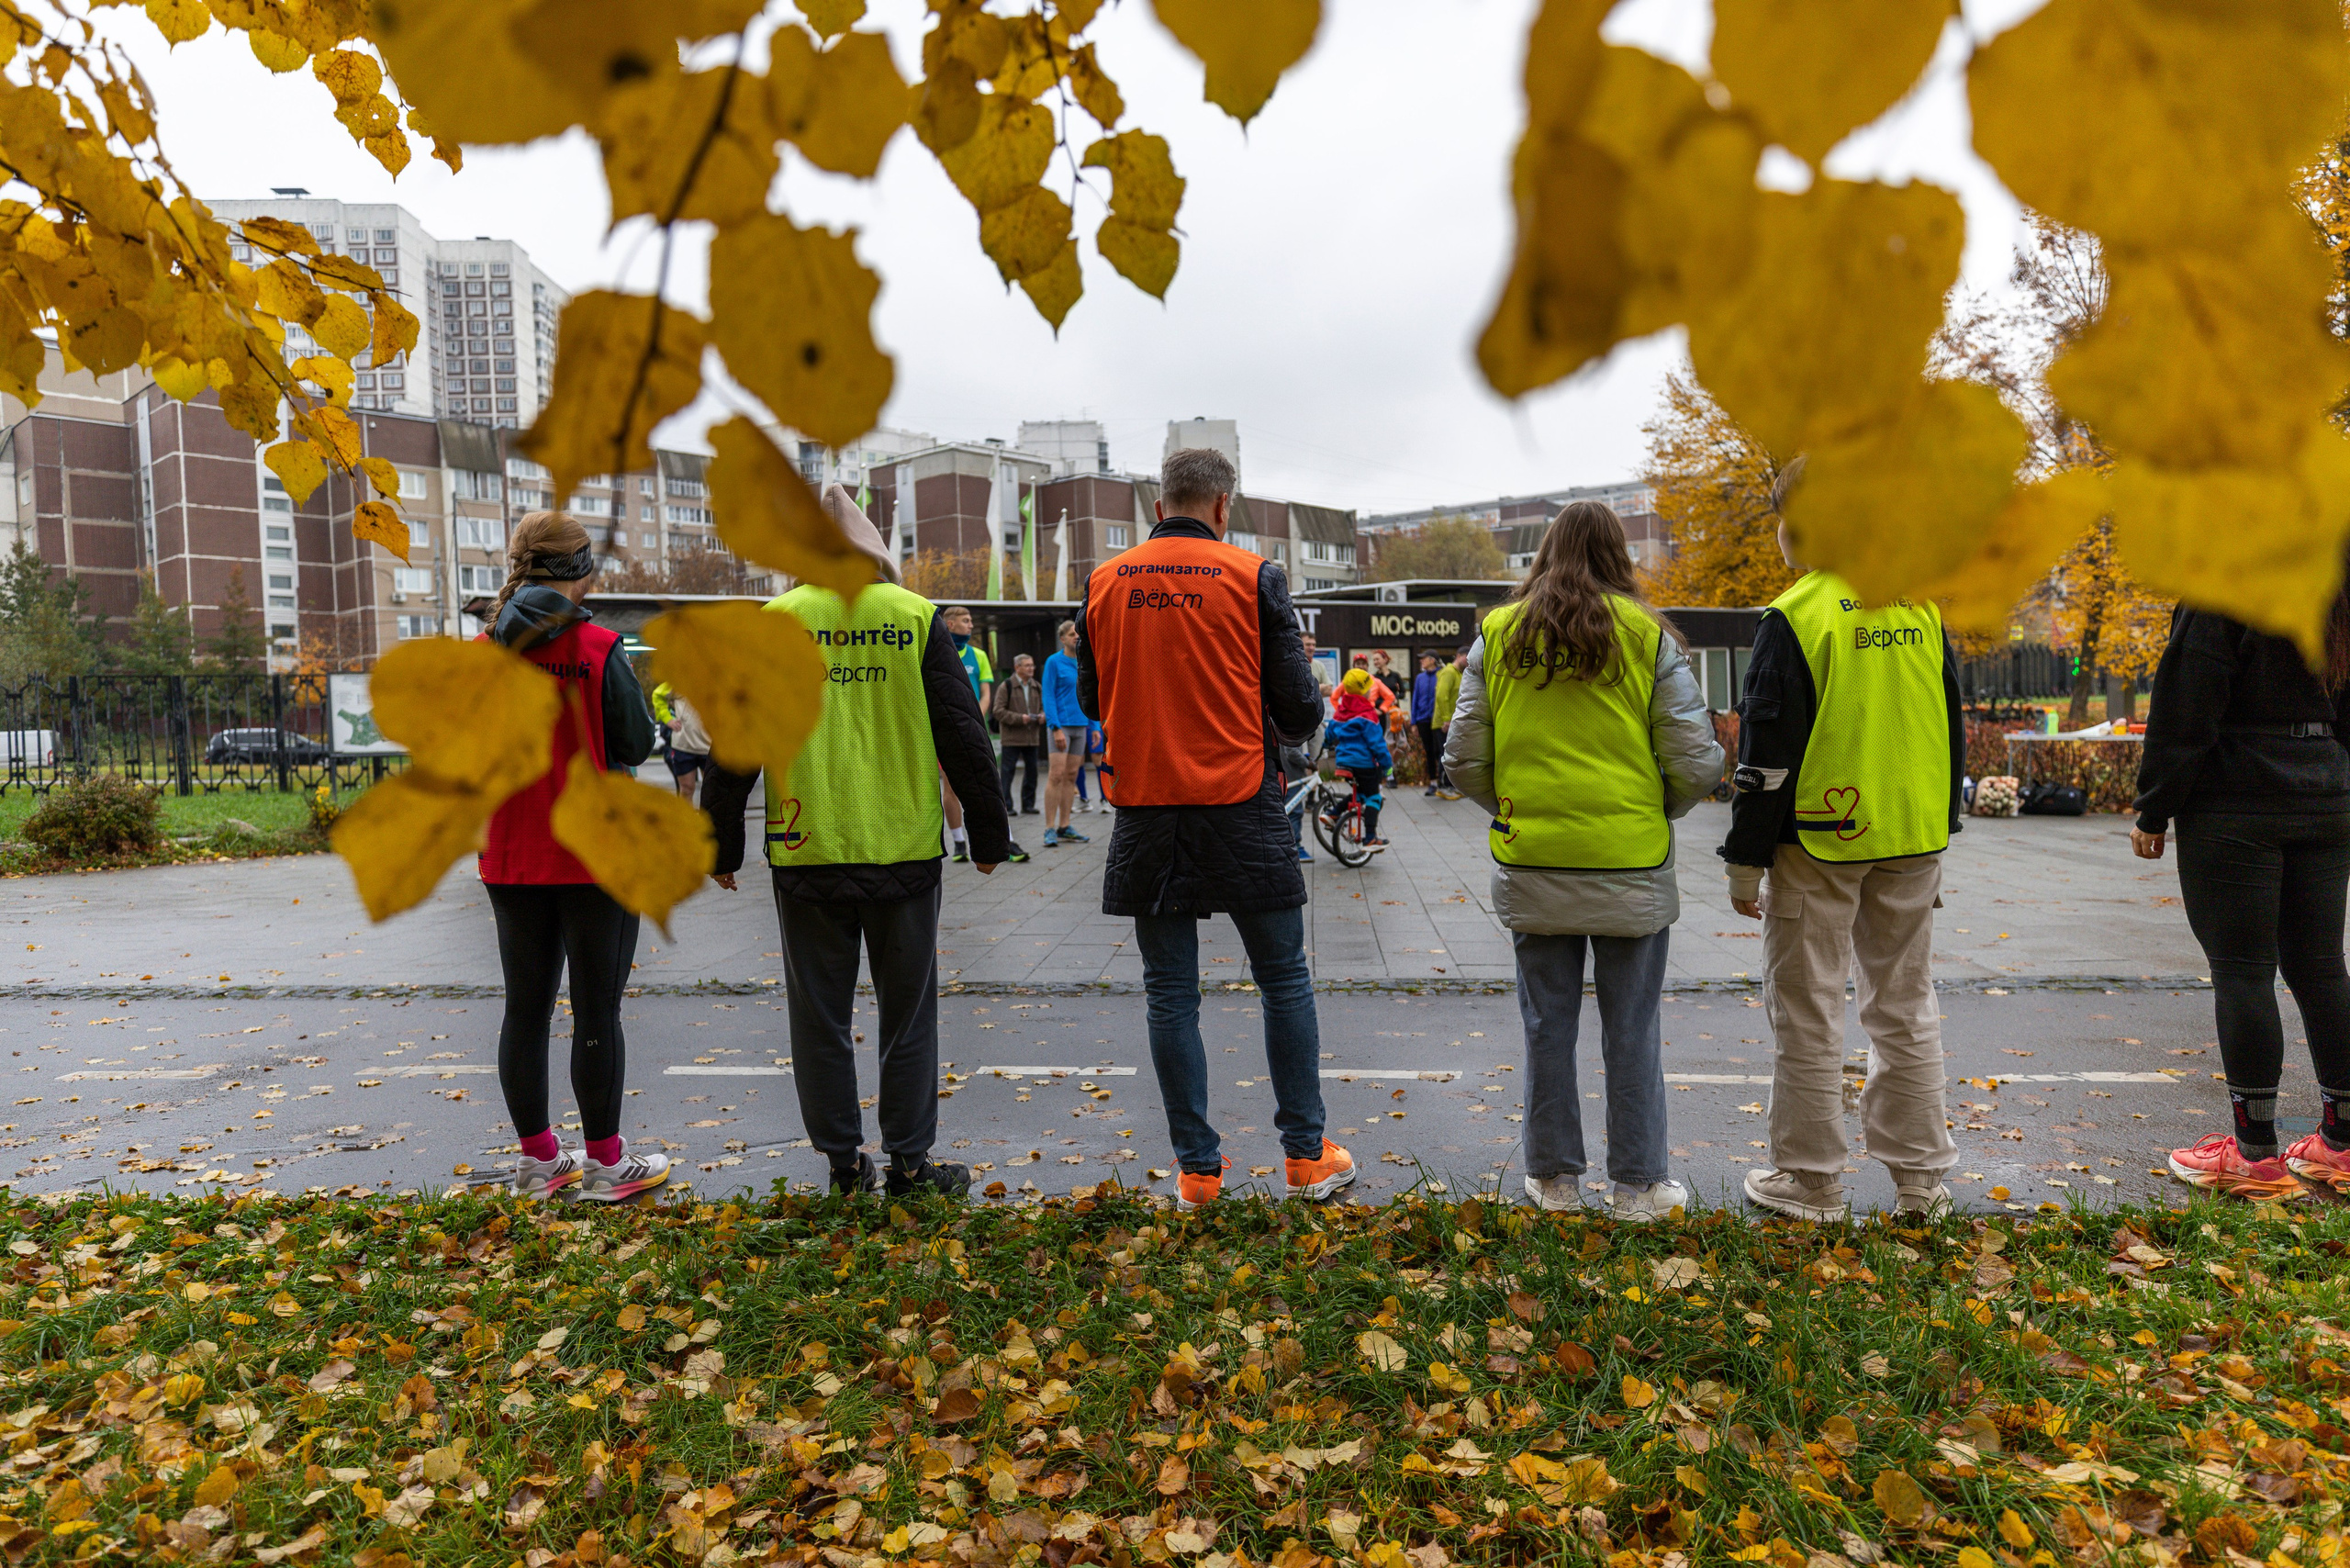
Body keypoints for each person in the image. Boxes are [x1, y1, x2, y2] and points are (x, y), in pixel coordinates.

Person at [700, 486, 1012, 1197]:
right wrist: (990, 835)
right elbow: (964, 732)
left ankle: (844, 1166)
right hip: (902, 849)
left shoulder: (777, 620)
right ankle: (910, 1165)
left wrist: (721, 846)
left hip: (808, 849)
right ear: (874, 553)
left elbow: (733, 745)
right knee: (908, 1018)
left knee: (819, 1019)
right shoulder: (916, 617)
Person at [1077, 446, 1352, 1209]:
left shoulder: (1104, 581)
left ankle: (1198, 1173)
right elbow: (1298, 711)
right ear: (1224, 505)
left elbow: (1096, 700)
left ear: (1158, 506)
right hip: (1241, 805)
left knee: (1170, 993)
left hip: (1146, 810)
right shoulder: (1253, 576)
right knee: (1283, 980)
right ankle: (1305, 1158)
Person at [1444, 501, 1722, 1221]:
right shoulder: (1646, 637)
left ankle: (1554, 1180)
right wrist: (1656, 809)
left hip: (1534, 859)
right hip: (1629, 861)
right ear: (1617, 555)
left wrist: (1512, 809)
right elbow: (1696, 763)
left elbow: (1463, 758)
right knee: (1633, 1027)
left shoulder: (1498, 636)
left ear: (1545, 552)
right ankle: (1637, 1185)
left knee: (1547, 1024)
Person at [1724, 460, 1964, 1221]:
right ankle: (1922, 1179)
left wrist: (1745, 857)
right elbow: (1949, 724)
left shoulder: (1796, 615)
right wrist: (1938, 825)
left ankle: (1813, 1177)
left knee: (1809, 1008)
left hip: (1819, 839)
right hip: (1911, 835)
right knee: (1906, 1006)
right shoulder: (1919, 602)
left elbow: (1765, 753)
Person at [478, 510, 670, 1204]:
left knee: (524, 1011)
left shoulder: (483, 650)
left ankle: (538, 1162)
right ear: (576, 570)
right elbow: (634, 743)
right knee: (597, 1013)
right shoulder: (597, 645)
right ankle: (607, 1165)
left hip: (511, 854)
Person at [2132, 595, 2350, 1198]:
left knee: (2243, 971)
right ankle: (2343, 1144)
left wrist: (2155, 807)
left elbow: (2186, 703)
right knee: (2322, 968)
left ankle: (2254, 1156)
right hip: (2325, 791)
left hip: (2236, 800)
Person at [939, 605, 992, 863]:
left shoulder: (978, 655)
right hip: (947, 729)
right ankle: (959, 841)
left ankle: (986, 841)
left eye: (972, 620)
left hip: (973, 728)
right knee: (950, 784)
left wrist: (975, 718)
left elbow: (986, 694)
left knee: (979, 781)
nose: (971, 625)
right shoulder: (939, 652)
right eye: (966, 620)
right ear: (950, 624)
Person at [1328, 669, 1393, 849]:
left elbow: (1329, 733)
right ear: (1366, 690)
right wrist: (1387, 766)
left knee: (1362, 794)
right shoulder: (1368, 714)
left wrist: (1326, 745)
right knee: (1374, 797)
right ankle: (1370, 837)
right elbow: (1378, 745)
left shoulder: (1341, 711)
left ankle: (1334, 813)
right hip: (1364, 764)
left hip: (1343, 763)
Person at [1042, 619, 1091, 846]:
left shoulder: (1085, 662)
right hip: (1061, 727)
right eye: (1072, 634)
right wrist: (1055, 727)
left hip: (1082, 725)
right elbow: (1048, 696)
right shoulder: (1054, 662)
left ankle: (1065, 825)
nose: (1076, 637)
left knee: (1072, 776)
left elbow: (1091, 694)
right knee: (1056, 775)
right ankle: (1049, 828)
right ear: (1062, 639)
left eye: (1078, 633)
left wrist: (1096, 727)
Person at [992, 652, 1045, 815]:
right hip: (1012, 738)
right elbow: (998, 711)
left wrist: (1043, 715)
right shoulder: (1006, 686)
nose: (1031, 668)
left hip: (1032, 737)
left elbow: (1044, 706)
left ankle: (1028, 805)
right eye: (1027, 665)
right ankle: (1007, 806)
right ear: (1017, 667)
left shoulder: (1037, 686)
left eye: (1032, 665)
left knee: (1032, 772)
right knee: (1007, 772)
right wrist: (1019, 718)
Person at [655, 683, 711, 805]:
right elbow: (658, 695)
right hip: (683, 746)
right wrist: (668, 719)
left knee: (711, 792)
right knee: (686, 789)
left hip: (709, 748)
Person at [1432, 646, 1465, 800]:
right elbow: (1441, 696)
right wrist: (1446, 718)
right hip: (1444, 723)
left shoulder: (1459, 674)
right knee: (1446, 754)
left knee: (1453, 754)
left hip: (1453, 722)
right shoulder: (1449, 672)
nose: (1469, 660)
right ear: (1458, 656)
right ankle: (1443, 786)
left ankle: (1451, 786)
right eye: (1467, 656)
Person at [1412, 652, 1444, 797]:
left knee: (1440, 751)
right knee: (1429, 751)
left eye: (1423, 659)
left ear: (1432, 660)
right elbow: (1415, 699)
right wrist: (1414, 722)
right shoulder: (1420, 678)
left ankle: (1443, 781)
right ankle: (1432, 782)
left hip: (1438, 719)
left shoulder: (1442, 674)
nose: (1421, 661)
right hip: (1423, 719)